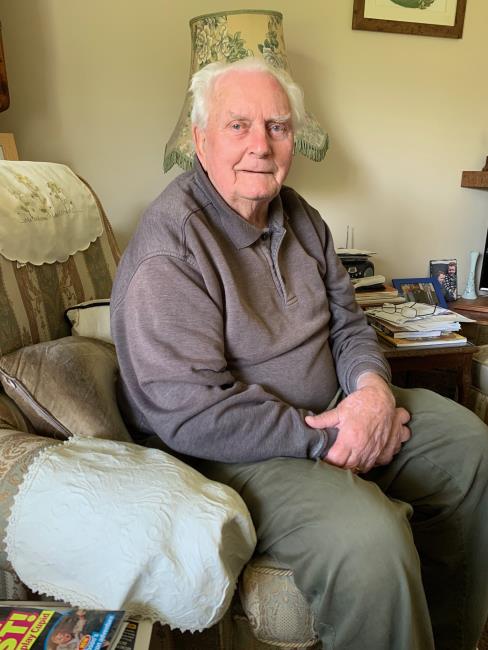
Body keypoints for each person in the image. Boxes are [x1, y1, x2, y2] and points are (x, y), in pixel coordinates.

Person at [110, 57, 488, 650]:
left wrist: (371, 392)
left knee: (472, 449)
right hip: (234, 449)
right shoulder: (171, 251)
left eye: (277, 127)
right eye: (238, 126)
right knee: (369, 540)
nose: (260, 145)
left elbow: (349, 323)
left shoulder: (302, 217)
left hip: (338, 406)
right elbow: (191, 413)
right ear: (199, 139)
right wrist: (329, 438)